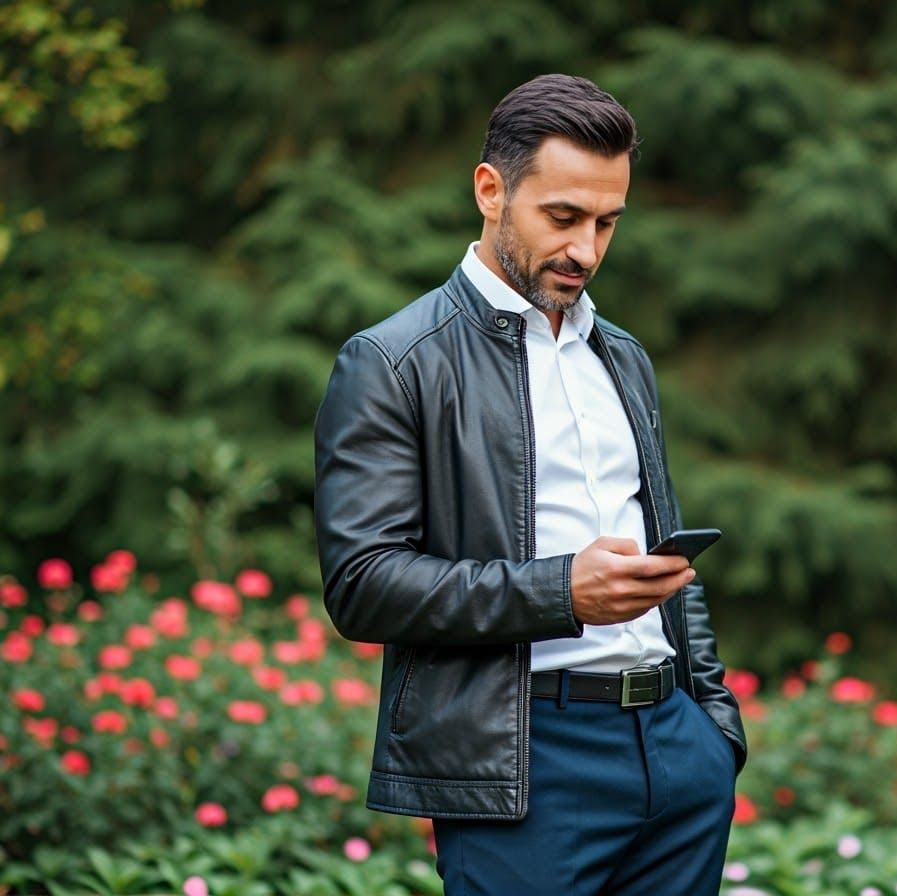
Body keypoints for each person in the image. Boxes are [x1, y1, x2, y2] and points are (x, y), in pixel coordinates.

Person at [313, 73, 746, 895]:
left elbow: (667, 551)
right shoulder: (393, 363)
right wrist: (562, 593)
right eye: (562, 217)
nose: (586, 248)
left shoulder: (621, 356)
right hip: (521, 766)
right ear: (490, 190)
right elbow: (361, 587)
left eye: (607, 222)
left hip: (677, 757)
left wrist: (714, 732)